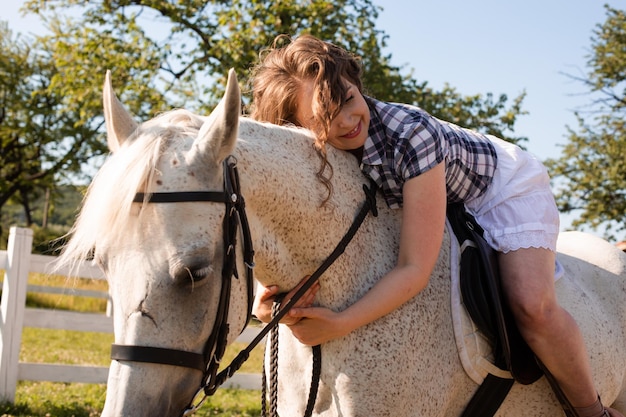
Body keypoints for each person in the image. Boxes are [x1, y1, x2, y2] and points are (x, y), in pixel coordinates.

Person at [248, 34, 621, 417]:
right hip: (432, 191)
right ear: (298, 128)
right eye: (324, 116)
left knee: (531, 306)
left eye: (348, 99)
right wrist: (271, 299)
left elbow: (414, 270)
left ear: (356, 85)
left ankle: (592, 409)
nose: (347, 120)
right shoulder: (314, 156)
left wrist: (339, 323)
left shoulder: (411, 133)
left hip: (502, 189)